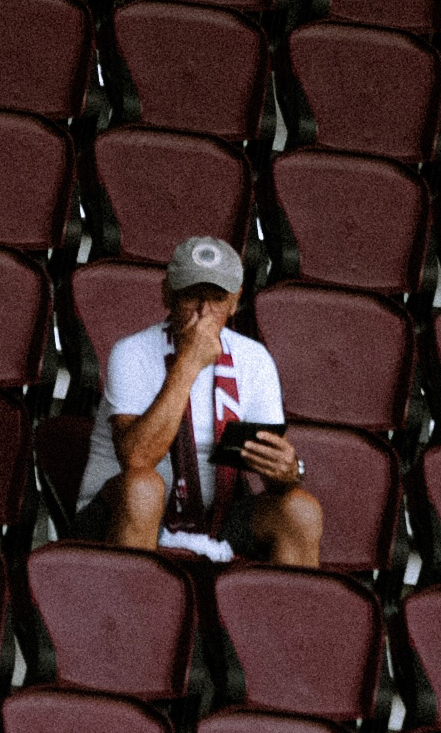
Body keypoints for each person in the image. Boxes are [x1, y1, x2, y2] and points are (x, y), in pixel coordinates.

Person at [74, 236, 322, 566]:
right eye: (192, 295)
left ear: (235, 301)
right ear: (168, 294)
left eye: (217, 298)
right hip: (124, 510)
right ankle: (132, 599)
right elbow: (137, 459)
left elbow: (272, 468)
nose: (204, 312)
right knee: (143, 488)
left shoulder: (254, 359)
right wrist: (189, 362)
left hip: (217, 518)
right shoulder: (131, 352)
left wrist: (288, 471)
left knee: (301, 510)